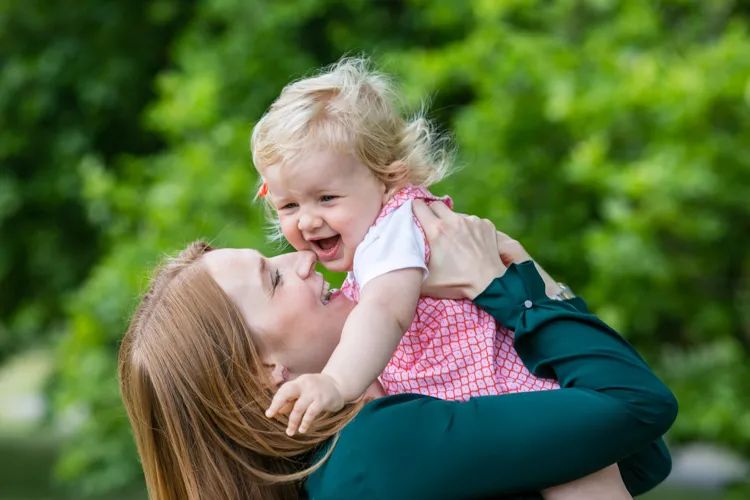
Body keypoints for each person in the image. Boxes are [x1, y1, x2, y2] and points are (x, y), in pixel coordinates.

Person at [118, 202, 677, 500]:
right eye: (273, 280)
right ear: (266, 373)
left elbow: (634, 456)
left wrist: (517, 285)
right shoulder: (376, 450)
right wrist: (511, 286)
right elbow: (638, 404)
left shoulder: (342, 469)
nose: (302, 259)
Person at [252, 58, 558, 437]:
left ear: (387, 180)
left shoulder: (393, 230)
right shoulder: (374, 243)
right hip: (481, 405)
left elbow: (385, 311)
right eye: (289, 206)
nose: (307, 220)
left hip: (502, 393)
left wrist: (335, 382)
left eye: (327, 198)